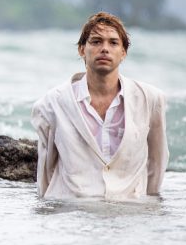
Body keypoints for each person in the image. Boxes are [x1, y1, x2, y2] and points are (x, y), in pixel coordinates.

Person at [31, 11, 168, 199]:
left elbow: (157, 161)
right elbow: (46, 169)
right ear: (81, 50)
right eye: (96, 42)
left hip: (129, 211)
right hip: (71, 212)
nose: (104, 49)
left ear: (123, 53)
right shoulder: (51, 104)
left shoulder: (150, 99)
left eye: (113, 43)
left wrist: (150, 205)